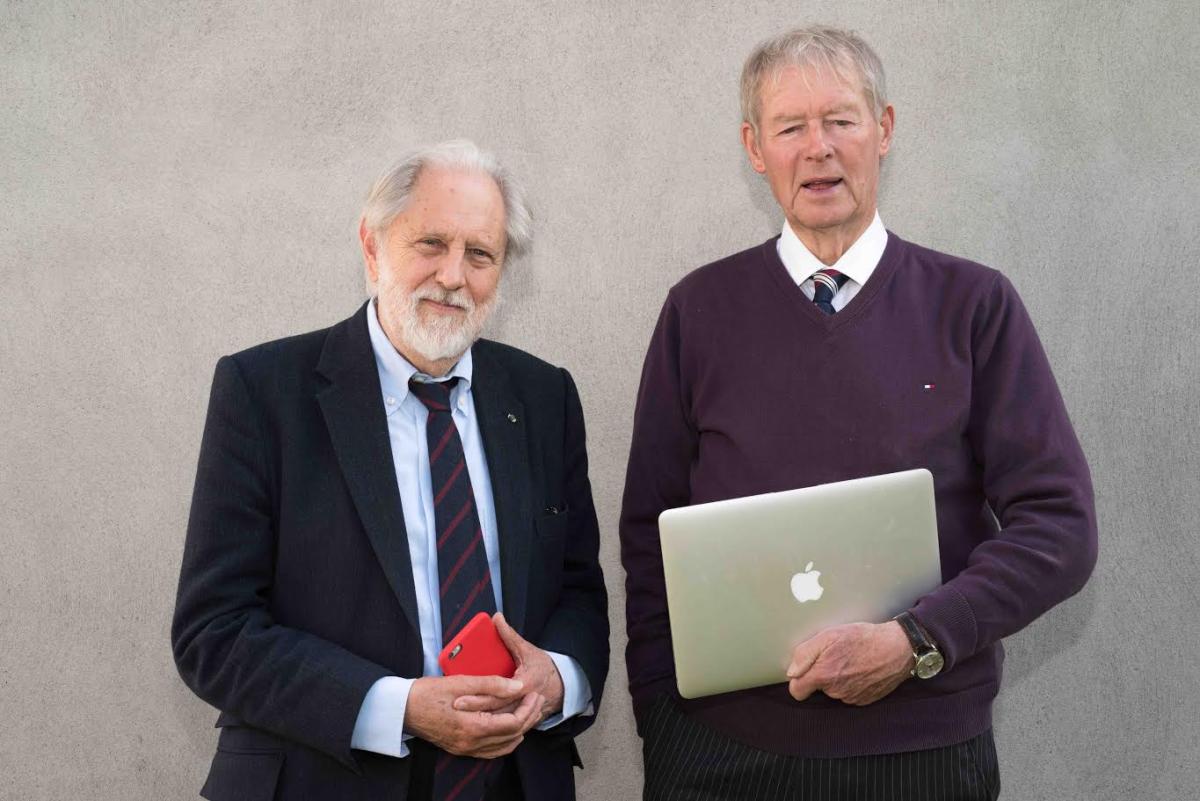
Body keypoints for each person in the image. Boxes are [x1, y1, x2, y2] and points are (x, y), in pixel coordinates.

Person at [620, 25, 1096, 800]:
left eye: (841, 119)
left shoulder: (974, 307)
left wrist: (918, 641)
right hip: (719, 756)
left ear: (884, 130)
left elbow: (1062, 528)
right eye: (790, 126)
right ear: (754, 147)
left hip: (923, 752)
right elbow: (650, 534)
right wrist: (660, 720)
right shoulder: (696, 312)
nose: (819, 148)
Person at [173, 139, 608, 801]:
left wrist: (558, 678)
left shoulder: (544, 399)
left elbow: (578, 589)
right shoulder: (264, 392)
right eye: (431, 243)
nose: (454, 275)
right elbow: (214, 629)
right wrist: (398, 706)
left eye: (480, 254)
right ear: (372, 246)